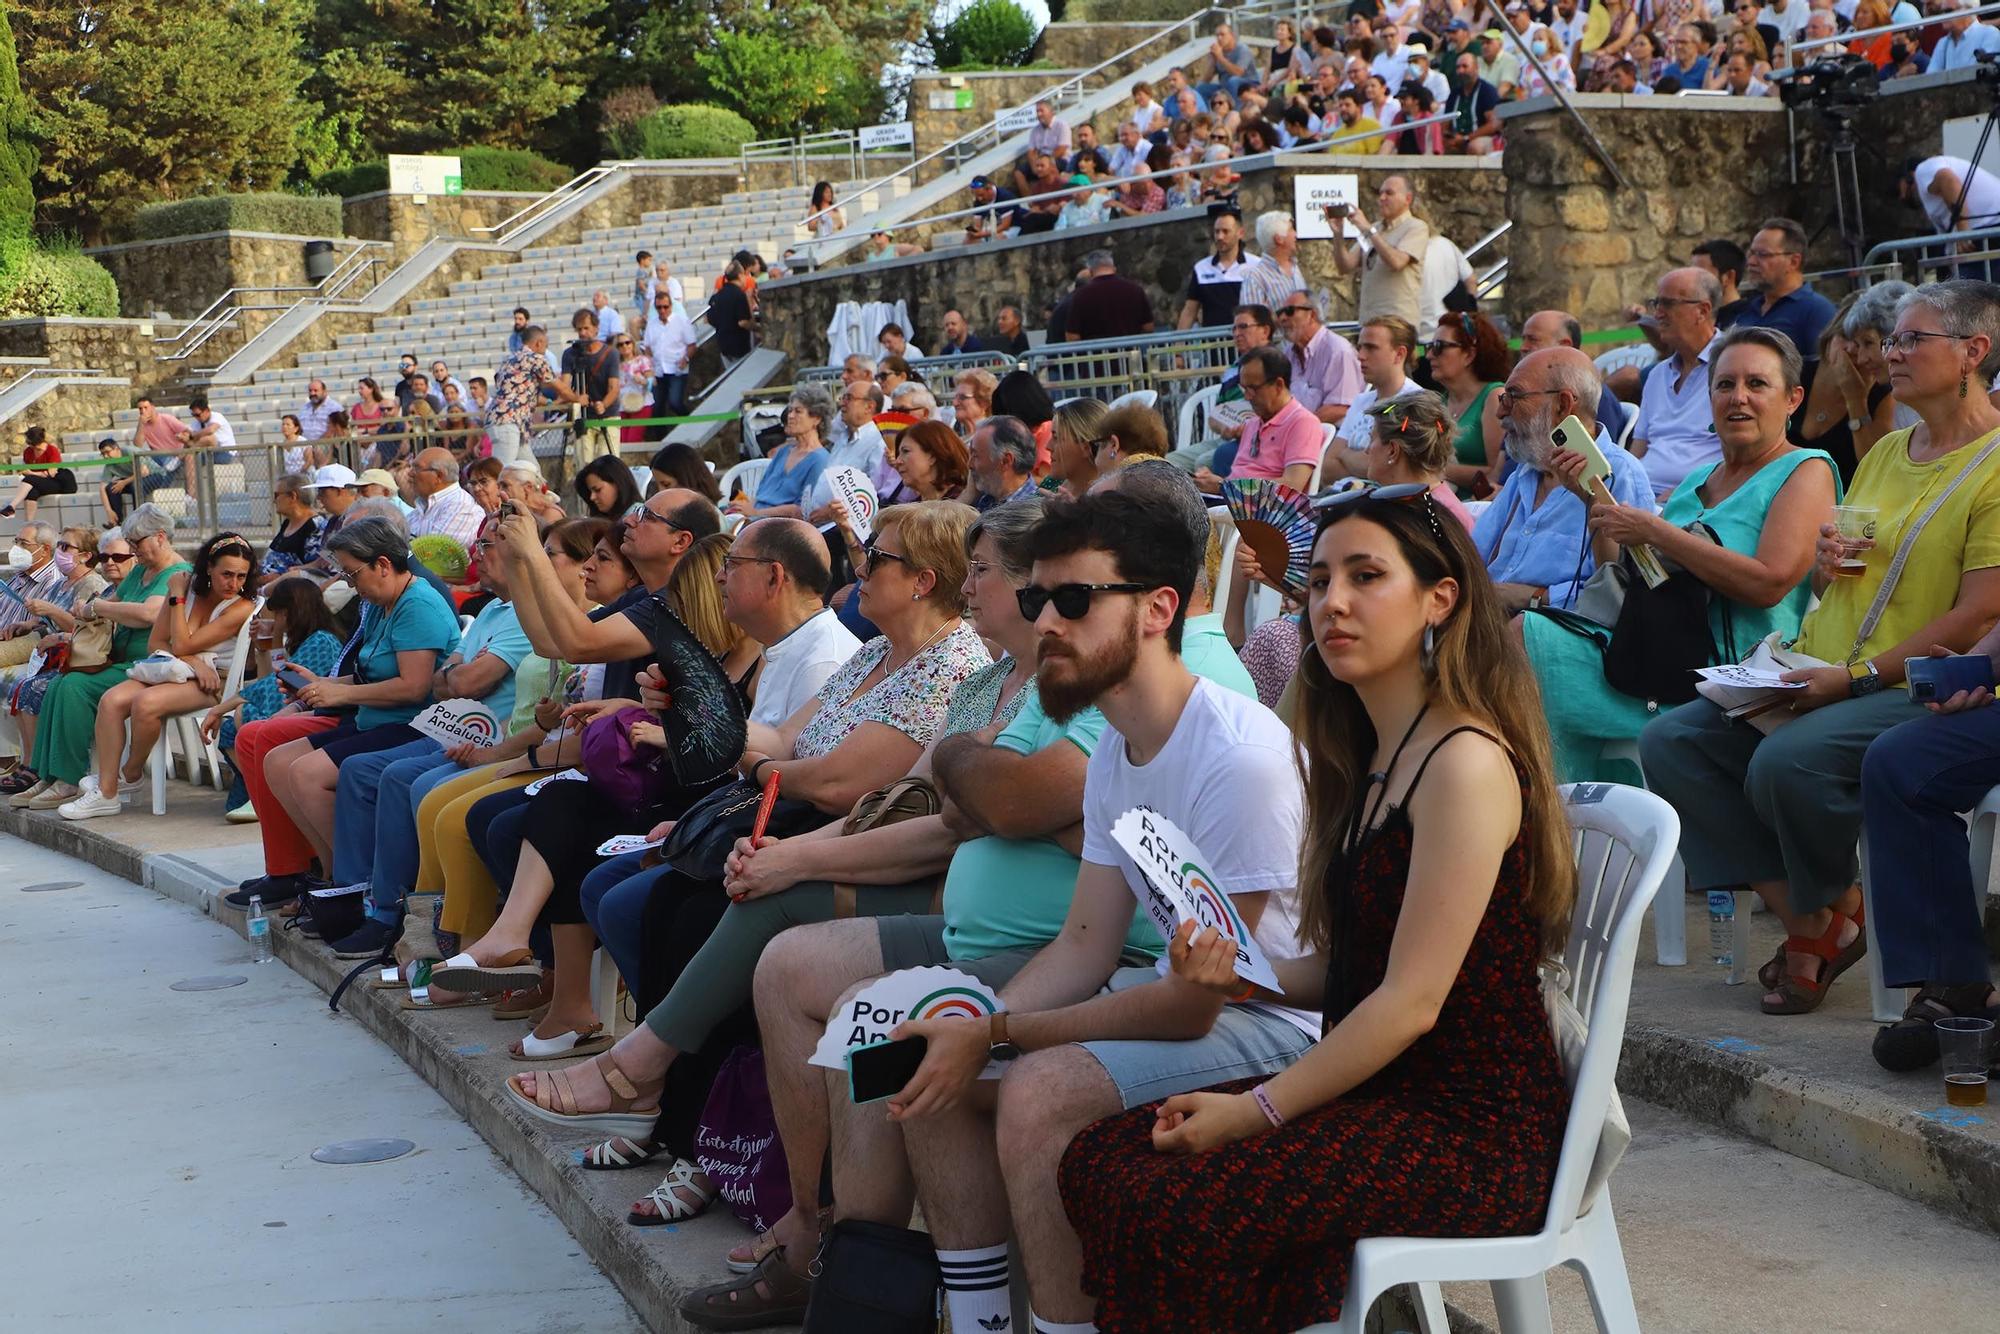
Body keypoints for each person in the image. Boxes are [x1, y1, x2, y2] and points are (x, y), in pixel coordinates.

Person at [710, 482, 1311, 1333]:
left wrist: (993, 1032)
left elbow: (1196, 1004)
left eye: (1073, 600)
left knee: (1027, 1085)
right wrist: (966, 1021)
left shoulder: (1239, 756)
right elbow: (1081, 948)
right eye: (1036, 599)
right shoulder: (1117, 747)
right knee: (919, 1042)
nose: (1047, 624)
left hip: (1271, 1020)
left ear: (1158, 609)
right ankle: (972, 1314)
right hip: (1166, 990)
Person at [1060, 475, 1576, 1333]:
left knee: (1173, 1199)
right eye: (1323, 580)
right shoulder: (1375, 754)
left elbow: (1410, 1004)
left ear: (1439, 600)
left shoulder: (1463, 762)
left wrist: (1254, 1110)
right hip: (1385, 1093)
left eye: (1366, 577)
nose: (1332, 603)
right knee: (1103, 1158)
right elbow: (1348, 970)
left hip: (1470, 1132)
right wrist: (1240, 981)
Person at [520, 504, 1044, 1226]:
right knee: (649, 895)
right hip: (849, 837)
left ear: (924, 581)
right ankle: (699, 1129)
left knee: (717, 911)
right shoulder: (907, 662)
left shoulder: (956, 666)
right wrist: (702, 719)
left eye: (876, 560)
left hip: (882, 854)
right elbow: (791, 749)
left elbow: (842, 786)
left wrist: (787, 844)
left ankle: (693, 1126)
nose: (856, 572)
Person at [1642, 282, 2000, 1016]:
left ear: (1973, 352)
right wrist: (1826, 561)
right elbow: (1831, 565)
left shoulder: (1994, 463)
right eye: (1890, 339)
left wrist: (1851, 678)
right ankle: (1823, 919)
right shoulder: (1889, 450)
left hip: (1908, 680)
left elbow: (1978, 616)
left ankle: (1824, 928)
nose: (1890, 353)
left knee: (1787, 764)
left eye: (1911, 340)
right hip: (1814, 661)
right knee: (1670, 740)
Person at [1527, 327, 1837, 782]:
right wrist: (1592, 498)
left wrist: (1657, 530)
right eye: (1725, 385)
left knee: (1527, 639)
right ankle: (1566, 804)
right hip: (1656, 653)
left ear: (1793, 399)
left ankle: (1561, 810)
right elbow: (1643, 576)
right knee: (1515, 644)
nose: (1738, 398)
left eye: (1757, 384)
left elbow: (1769, 583)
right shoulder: (1695, 482)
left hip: (1731, 674)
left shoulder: (1805, 469)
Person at [59, 533, 257, 820]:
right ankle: (108, 791)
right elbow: (156, 644)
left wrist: (176, 599)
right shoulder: (187, 589)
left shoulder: (241, 605)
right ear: (209, 568)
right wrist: (191, 659)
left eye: (241, 576)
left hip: (214, 680)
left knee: (146, 703)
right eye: (226, 574)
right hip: (173, 668)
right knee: (112, 700)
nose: (234, 583)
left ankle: (128, 774)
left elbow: (183, 644)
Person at [14, 505, 193, 811]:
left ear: (160, 537)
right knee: (60, 684)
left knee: (74, 688)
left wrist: (96, 608)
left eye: (136, 544)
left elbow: (149, 613)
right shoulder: (141, 570)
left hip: (148, 665)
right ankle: (49, 774)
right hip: (118, 658)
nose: (134, 551)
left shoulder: (178, 573)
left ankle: (69, 778)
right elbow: (111, 604)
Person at [1474, 347, 1657, 614]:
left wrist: (1533, 597)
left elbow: (1624, 594)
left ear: (1563, 404)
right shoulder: (1526, 472)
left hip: (1554, 630)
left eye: (1513, 396)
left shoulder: (1619, 474)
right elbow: (1475, 554)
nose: (1501, 412)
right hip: (1487, 619)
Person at [200, 576, 343, 819]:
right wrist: (266, 645)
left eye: (278, 615)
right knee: (230, 729)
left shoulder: (321, 641)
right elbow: (274, 678)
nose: (275, 620)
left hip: (313, 713)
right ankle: (260, 792)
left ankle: (264, 793)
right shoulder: (308, 640)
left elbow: (276, 687)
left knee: (244, 714)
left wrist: (221, 707)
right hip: (297, 708)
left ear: (290, 612)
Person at [1, 529, 115, 799]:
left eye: (66, 546)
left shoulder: (92, 585)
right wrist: (29, 623)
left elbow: (85, 628)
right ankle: (32, 765)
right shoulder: (61, 583)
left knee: (33, 688)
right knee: (27, 688)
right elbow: (48, 621)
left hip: (75, 657)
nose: (59, 552)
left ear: (86, 555)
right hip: (52, 654)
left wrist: (50, 613)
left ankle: (37, 768)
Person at [1801, 282, 1918, 482]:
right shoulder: (1796, 374)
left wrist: (1855, 400)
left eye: (1866, 343)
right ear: (1829, 336)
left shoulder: (1887, 390)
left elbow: (1878, 468)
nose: (1854, 351)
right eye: (1847, 338)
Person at [1631, 266, 1725, 500]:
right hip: (1642, 496)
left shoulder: (1733, 368)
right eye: (1656, 303)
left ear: (1702, 311)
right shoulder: (1658, 375)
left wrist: (1681, 495)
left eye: (1668, 304)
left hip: (1698, 500)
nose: (1658, 313)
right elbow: (1638, 450)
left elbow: (1744, 459)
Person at [1171, 304, 1276, 478]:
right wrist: (1224, 428)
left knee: (1203, 463)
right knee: (1169, 461)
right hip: (1227, 438)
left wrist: (1249, 428)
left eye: (1243, 327)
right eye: (1233, 328)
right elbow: (1215, 415)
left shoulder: (1276, 364)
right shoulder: (1233, 369)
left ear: (1265, 331)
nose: (1236, 333)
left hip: (1259, 439)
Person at [1325, 316, 1427, 478]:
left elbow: (1394, 472)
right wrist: (1365, 464)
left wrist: (1345, 455)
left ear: (1399, 354)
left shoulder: (1417, 404)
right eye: (1360, 347)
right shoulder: (1361, 401)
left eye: (1371, 348)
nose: (1361, 356)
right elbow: (1327, 467)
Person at [1216, 345, 1321, 494]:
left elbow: (1292, 486)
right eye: (1244, 389)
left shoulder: (1303, 423)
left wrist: (1226, 487)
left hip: (1266, 513)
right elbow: (1239, 474)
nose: (1247, 396)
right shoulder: (1253, 422)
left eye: (1253, 388)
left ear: (1278, 385)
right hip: (1234, 504)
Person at [1329, 175, 1430, 328]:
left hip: (1398, 323)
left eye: (1389, 193)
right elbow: (1345, 266)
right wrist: (1338, 234)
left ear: (1407, 199)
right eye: (1380, 193)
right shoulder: (1376, 228)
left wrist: (1368, 230)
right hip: (1369, 320)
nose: (1382, 198)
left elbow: (1397, 262)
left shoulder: (1416, 227)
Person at [1429, 311, 1511, 495]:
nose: (1429, 355)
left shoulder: (1494, 397)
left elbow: (1496, 473)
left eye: (1438, 346)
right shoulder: (1439, 402)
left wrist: (1430, 468)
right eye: (1429, 346)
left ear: (1469, 354)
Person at [1738, 217, 1838, 361]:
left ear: (1793, 261)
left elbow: (1824, 372)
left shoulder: (1817, 311)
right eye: (1751, 253)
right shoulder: (1748, 309)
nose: (1751, 262)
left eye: (1763, 255)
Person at [733, 384, 835, 523]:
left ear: (816, 419)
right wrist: (742, 506)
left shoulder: (820, 460)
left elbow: (801, 510)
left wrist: (756, 512)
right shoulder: (783, 452)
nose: (790, 416)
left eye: (798, 411)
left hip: (778, 526)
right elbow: (762, 494)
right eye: (790, 410)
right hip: (754, 517)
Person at [489, 325, 585, 468]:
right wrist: (578, 399)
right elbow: (561, 388)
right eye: (545, 346)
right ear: (538, 343)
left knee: (532, 470)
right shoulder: (536, 359)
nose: (545, 350)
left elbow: (522, 392)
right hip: (509, 421)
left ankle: (540, 489)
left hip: (509, 421)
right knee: (502, 469)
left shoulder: (509, 360)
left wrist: (550, 403)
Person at [1520, 308, 1629, 432]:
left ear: (1565, 345)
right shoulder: (1524, 393)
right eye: (1523, 339)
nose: (1523, 347)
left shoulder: (1594, 397)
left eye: (1532, 339)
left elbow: (1594, 450)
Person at [1900, 155, 2000, 281]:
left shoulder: (1923, 169)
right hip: (1985, 231)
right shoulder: (1930, 179)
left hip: (1987, 228)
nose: (1901, 197)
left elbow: (1947, 179)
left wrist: (1963, 232)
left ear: (1908, 177)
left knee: (1970, 292)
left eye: (1897, 189)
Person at [1280, 291, 1366, 428]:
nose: (1282, 318)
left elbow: (1340, 408)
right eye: (1280, 313)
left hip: (1332, 435)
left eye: (1289, 311)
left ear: (1312, 315)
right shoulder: (1287, 354)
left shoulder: (1338, 351)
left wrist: (1294, 428)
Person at [1065, 250, 1156, 342]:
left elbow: (1072, 337)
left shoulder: (1080, 295)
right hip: (1130, 352)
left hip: (1097, 354)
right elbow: (1148, 327)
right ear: (1113, 268)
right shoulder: (1136, 290)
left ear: (1090, 271)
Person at [640, 287, 697, 434]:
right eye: (659, 307)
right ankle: (661, 438)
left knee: (675, 402)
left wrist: (685, 359)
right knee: (657, 406)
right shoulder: (652, 324)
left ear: (671, 306)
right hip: (658, 370)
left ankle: (691, 426)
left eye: (665, 307)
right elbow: (647, 347)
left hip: (677, 369)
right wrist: (649, 367)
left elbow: (692, 345)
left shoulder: (682, 321)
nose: (662, 310)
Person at [407, 446, 487, 548]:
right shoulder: (421, 507)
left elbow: (433, 556)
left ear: (439, 476)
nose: (410, 473)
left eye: (417, 468)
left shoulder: (461, 507)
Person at [259, 472, 325, 587]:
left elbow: (315, 568)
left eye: (276, 495)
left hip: (288, 589)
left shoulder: (315, 527)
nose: (274, 501)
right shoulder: (288, 523)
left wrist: (281, 576)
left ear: (292, 496)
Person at [965, 416, 1041, 511]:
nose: (970, 464)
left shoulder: (1031, 512)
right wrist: (967, 497)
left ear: (1005, 461)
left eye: (975, 456)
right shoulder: (987, 499)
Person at [2, 426, 75, 522]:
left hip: (55, 482)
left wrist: (32, 473)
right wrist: (31, 473)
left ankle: (12, 506)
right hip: (38, 483)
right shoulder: (28, 452)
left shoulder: (51, 450)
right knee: (31, 492)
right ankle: (29, 523)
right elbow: (27, 469)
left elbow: (51, 474)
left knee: (29, 479)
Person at [1239, 210, 1306, 313]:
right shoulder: (1255, 278)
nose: (1295, 234)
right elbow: (1253, 321)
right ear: (1279, 239)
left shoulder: (1294, 267)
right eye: (1291, 229)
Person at [1048, 396, 1111, 497]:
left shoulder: (1109, 500)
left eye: (1056, 438)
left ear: (1085, 447)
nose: (1048, 446)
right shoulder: (1052, 484)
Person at [96, 436, 164, 526]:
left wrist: (124, 483)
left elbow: (144, 472)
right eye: (103, 454)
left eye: (107, 452)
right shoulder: (110, 464)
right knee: (111, 488)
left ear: (116, 449)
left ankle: (139, 520)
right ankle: (117, 522)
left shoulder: (129, 451)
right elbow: (102, 487)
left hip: (155, 475)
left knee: (135, 486)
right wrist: (109, 511)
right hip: (134, 479)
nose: (105, 456)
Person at [1444, 52, 1502, 153]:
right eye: (1458, 67)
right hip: (1458, 138)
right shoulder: (1454, 93)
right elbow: (1446, 122)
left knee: (1475, 147)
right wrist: (1447, 137)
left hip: (1482, 138)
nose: (1461, 71)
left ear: (1476, 68)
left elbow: (1493, 124)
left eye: (1465, 66)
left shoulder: (1487, 90)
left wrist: (1466, 138)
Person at [1929, 0, 2000, 70]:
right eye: (1941, 12)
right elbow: (1930, 78)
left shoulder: (1990, 34)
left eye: (1948, 11)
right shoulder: (1942, 43)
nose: (1943, 16)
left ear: (1967, 11)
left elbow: (1985, 73)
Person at [711, 264, 755, 370]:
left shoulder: (718, 295)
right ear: (740, 276)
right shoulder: (739, 295)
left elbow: (710, 318)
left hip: (723, 345)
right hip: (739, 345)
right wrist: (756, 327)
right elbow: (743, 322)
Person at [573, 454, 644, 521]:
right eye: (589, 492)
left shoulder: (639, 518)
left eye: (598, 490)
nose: (592, 497)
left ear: (617, 483)